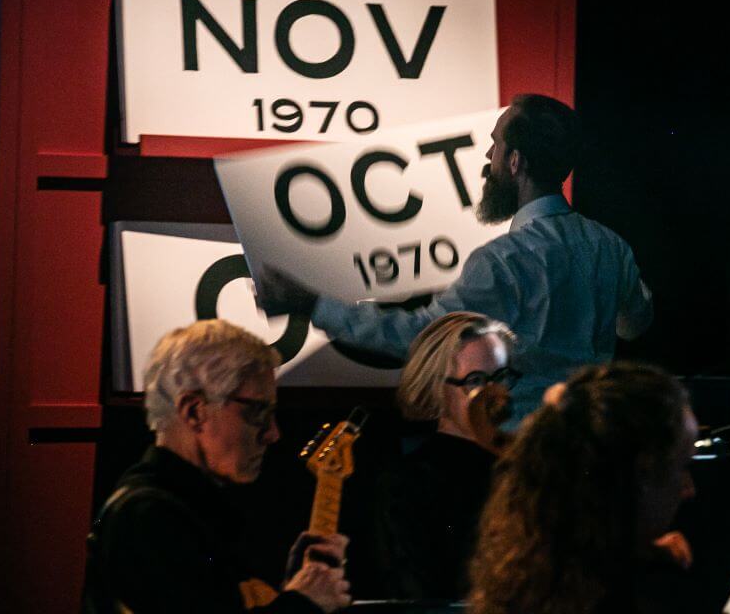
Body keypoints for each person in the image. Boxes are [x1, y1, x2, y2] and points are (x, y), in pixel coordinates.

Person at [258, 94, 654, 423]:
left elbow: (420, 336)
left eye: (496, 143)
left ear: (516, 162)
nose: (488, 154)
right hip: (590, 439)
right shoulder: (610, 247)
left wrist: (314, 305)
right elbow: (635, 325)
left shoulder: (503, 261)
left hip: (517, 443)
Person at [83, 319, 352, 614]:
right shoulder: (148, 517)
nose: (273, 433)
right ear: (194, 411)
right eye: (257, 411)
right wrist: (301, 604)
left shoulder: (174, 510)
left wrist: (295, 588)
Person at [468, 363, 699, 614]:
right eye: (681, 466)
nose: (688, 489)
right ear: (636, 477)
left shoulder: (539, 564)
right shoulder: (622, 595)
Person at [372, 312, 520, 601]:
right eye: (475, 381)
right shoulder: (407, 483)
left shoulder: (528, 468)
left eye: (500, 377)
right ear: (436, 387)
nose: (495, 396)